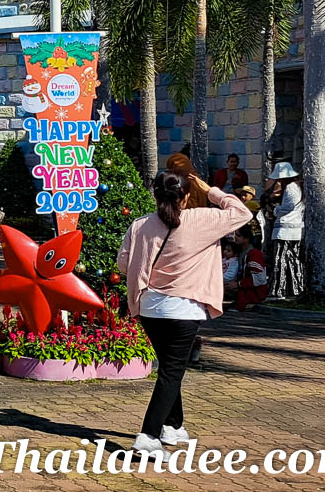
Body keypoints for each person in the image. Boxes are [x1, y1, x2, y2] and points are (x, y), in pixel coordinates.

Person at [117, 170, 251, 456]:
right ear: (187, 196)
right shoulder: (202, 219)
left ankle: (173, 426)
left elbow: (123, 264)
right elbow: (242, 212)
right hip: (184, 308)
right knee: (171, 372)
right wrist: (211, 190)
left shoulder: (140, 225)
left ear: (155, 194)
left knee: (168, 366)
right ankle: (148, 437)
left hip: (149, 307)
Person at [267, 161, 304, 299]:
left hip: (285, 229)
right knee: (293, 260)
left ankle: (279, 290)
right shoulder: (297, 187)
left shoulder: (290, 187)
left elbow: (288, 207)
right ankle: (294, 289)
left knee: (280, 260)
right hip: (295, 228)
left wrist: (275, 210)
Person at [227, 225, 268, 311]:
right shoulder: (240, 253)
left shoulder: (254, 254)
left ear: (247, 238)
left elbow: (259, 279)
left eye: (238, 236)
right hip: (241, 287)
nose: (235, 237)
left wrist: (238, 284)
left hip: (252, 292)